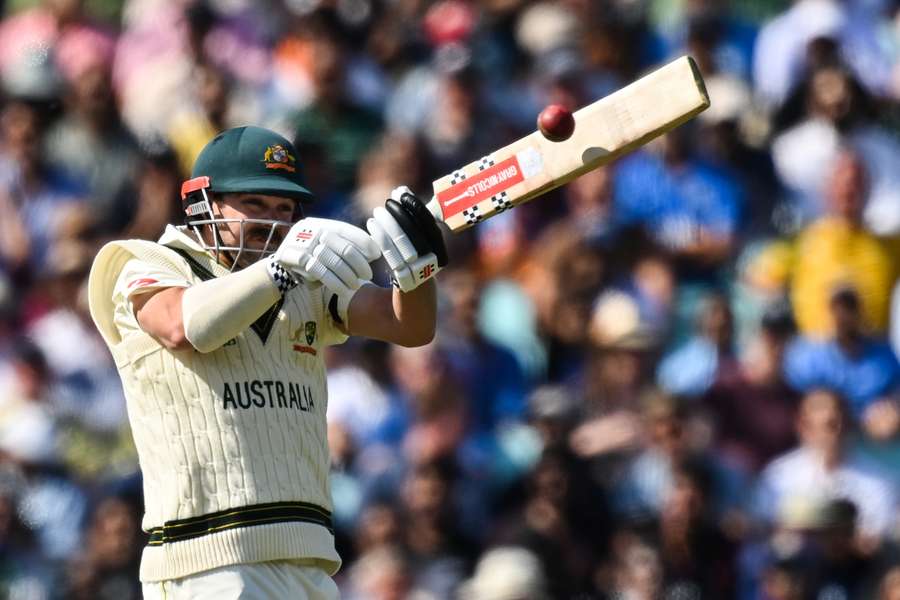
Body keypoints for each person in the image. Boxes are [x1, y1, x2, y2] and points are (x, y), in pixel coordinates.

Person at [86, 125, 447, 599]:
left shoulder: (305, 283)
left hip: (309, 554)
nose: (272, 222)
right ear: (204, 205)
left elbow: (409, 327)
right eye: (253, 205)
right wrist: (279, 269)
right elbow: (184, 326)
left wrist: (416, 270)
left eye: (283, 208)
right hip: (208, 560)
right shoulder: (147, 263)